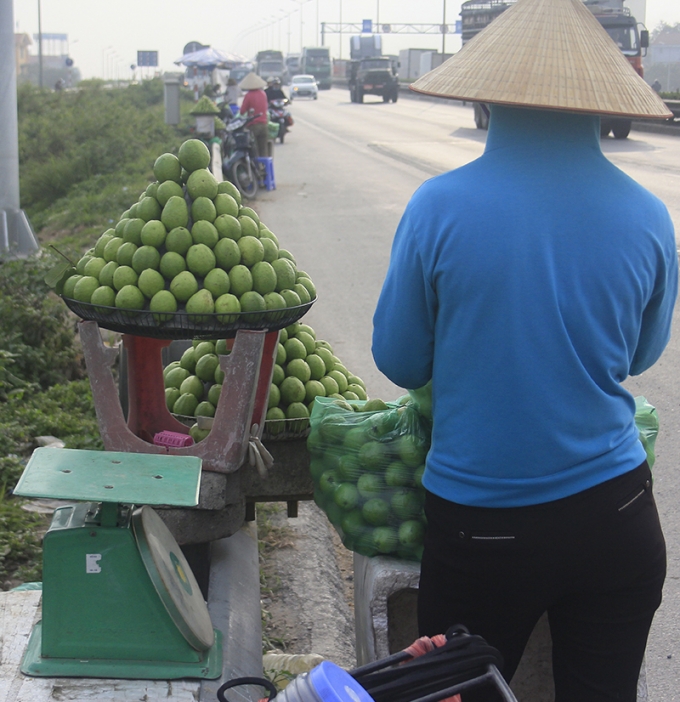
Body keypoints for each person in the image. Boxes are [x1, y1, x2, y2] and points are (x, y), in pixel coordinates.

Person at [371, 0, 677, 699]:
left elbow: (401, 361)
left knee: (455, 695)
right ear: (599, 103)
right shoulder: (649, 215)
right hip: (620, 521)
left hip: (485, 535)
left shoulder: (437, 207)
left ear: (486, 94)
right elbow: (639, 355)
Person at [238, 72, 269, 158]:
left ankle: (256, 168)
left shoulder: (248, 95)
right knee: (263, 149)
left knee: (254, 150)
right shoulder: (263, 94)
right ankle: (264, 168)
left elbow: (242, 111)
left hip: (253, 126)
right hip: (264, 124)